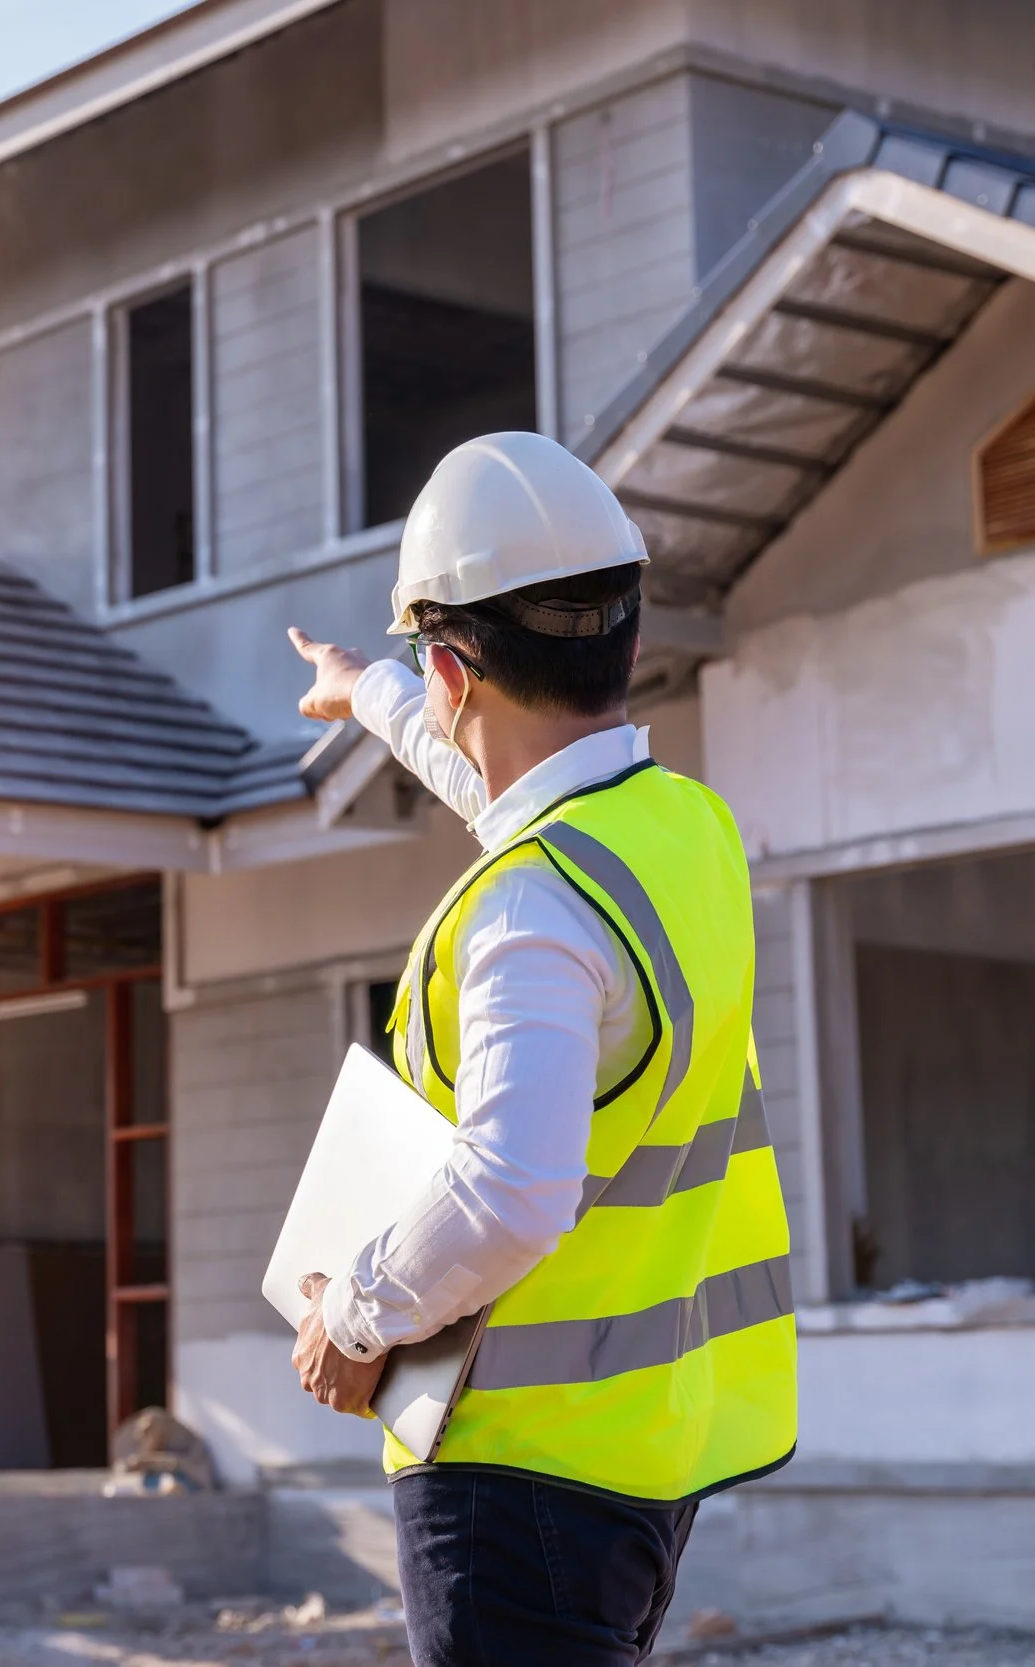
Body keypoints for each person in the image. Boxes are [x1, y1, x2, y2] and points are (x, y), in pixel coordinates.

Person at [284, 432, 798, 1665]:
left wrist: (354, 1317)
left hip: (514, 1480)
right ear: (627, 629)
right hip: (641, 1456)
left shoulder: (531, 905)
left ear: (454, 670)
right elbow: (508, 791)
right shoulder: (683, 831)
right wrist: (371, 692)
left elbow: (512, 1187)